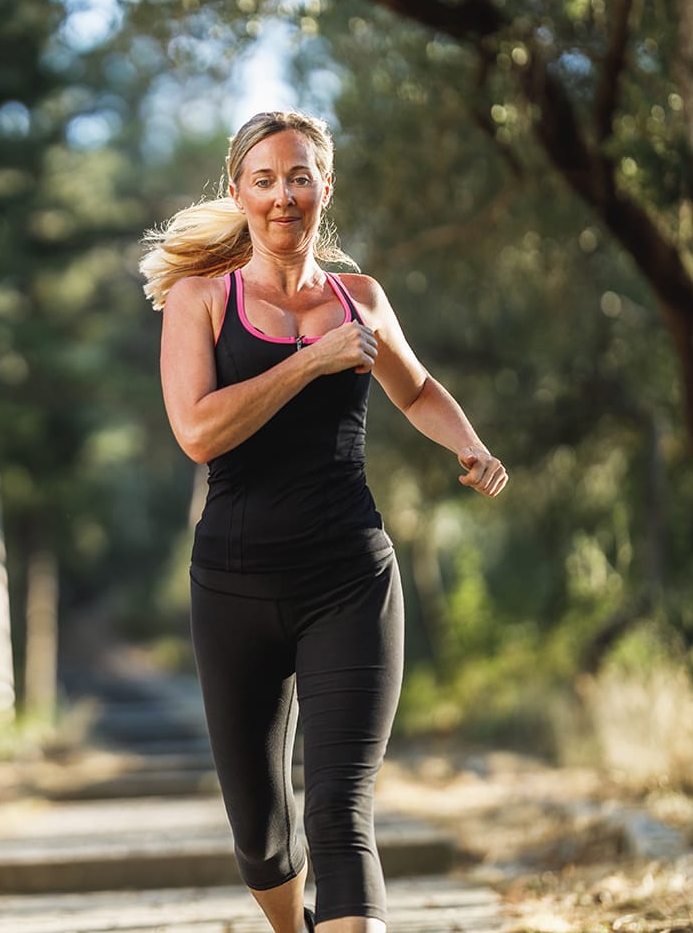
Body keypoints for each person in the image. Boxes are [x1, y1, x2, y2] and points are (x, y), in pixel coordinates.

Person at [141, 110, 507, 933]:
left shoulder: (360, 298)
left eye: (299, 176)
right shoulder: (202, 300)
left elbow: (414, 389)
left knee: (341, 815)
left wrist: (471, 444)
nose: (283, 196)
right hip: (234, 587)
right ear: (238, 192)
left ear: (324, 187)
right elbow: (197, 431)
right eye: (264, 180)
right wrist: (312, 361)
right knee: (262, 838)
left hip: (350, 577)